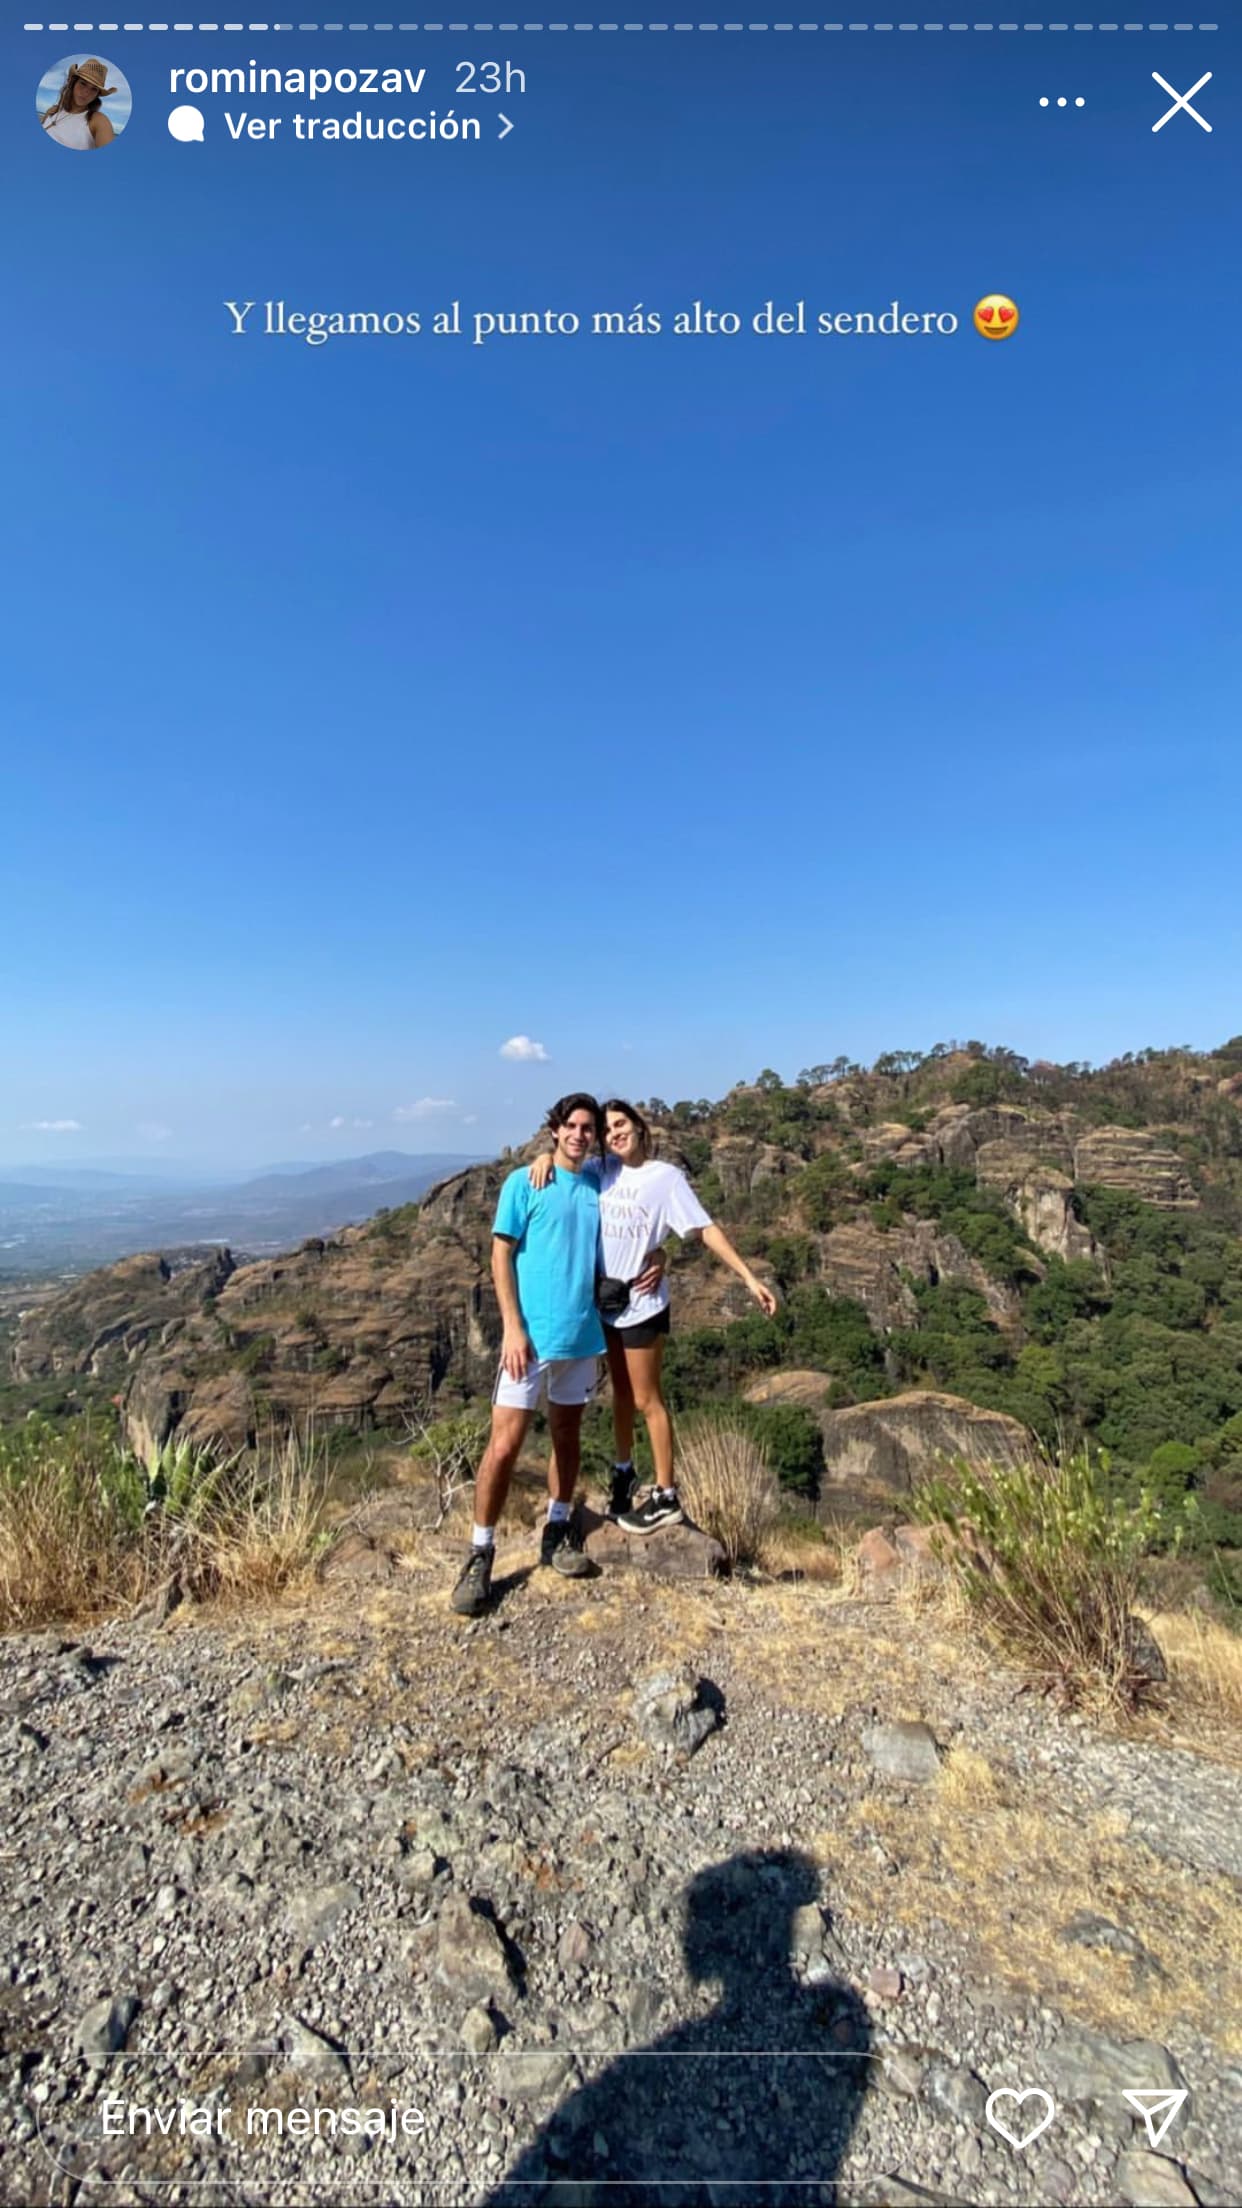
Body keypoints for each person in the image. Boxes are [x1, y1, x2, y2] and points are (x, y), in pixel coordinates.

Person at [452, 1093, 657, 1618]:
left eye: (587, 1128)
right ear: (555, 1130)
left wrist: (660, 1253)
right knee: (504, 1446)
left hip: (582, 1339)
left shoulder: (598, 1181)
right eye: (572, 1126)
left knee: (566, 1438)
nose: (580, 1134)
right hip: (531, 1341)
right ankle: (480, 1554)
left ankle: (558, 1530)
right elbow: (500, 1255)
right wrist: (512, 1329)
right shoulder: (525, 1182)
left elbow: (641, 1214)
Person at [531, 1099, 777, 1535]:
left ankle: (666, 1495)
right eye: (607, 1131)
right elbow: (566, 1165)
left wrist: (748, 1277)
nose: (613, 1135)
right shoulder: (599, 1172)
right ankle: (623, 1473)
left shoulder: (666, 1178)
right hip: (605, 1304)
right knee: (621, 1396)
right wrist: (542, 1156)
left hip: (642, 1305)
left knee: (647, 1399)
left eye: (621, 1124)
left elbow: (703, 1228)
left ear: (640, 1126)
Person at [41, 57, 117, 148]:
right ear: (73, 84)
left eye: (94, 89)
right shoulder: (53, 111)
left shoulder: (98, 121)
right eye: (83, 83)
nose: (86, 92)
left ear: (97, 95)